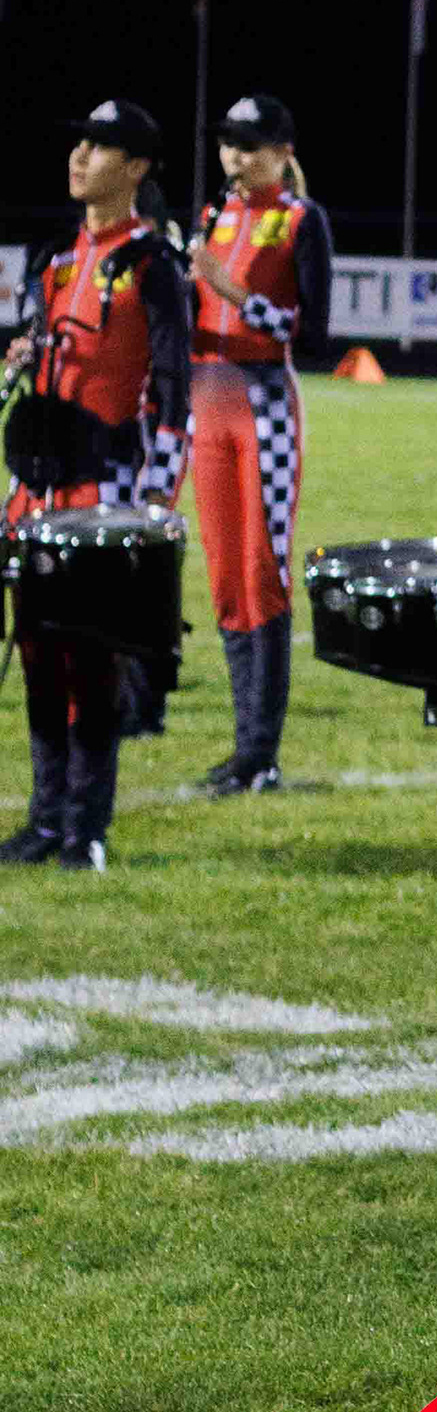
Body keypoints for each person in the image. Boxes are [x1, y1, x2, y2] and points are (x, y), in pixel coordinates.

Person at [0, 101, 190, 871]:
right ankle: (45, 822)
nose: (80, 156)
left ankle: (87, 829)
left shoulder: (153, 264)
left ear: (136, 168)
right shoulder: (54, 255)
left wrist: (154, 502)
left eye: (101, 147)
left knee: (91, 663)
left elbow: (174, 392)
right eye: (79, 142)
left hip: (105, 492)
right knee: (38, 655)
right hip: (37, 489)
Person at [188, 94, 333, 794]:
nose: (234, 157)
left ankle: (260, 753)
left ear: (282, 152)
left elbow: (315, 333)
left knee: (261, 572)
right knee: (223, 576)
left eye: (248, 145)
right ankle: (243, 747)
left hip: (264, 404)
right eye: (227, 144)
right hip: (206, 401)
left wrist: (235, 294)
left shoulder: (302, 220)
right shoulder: (213, 215)